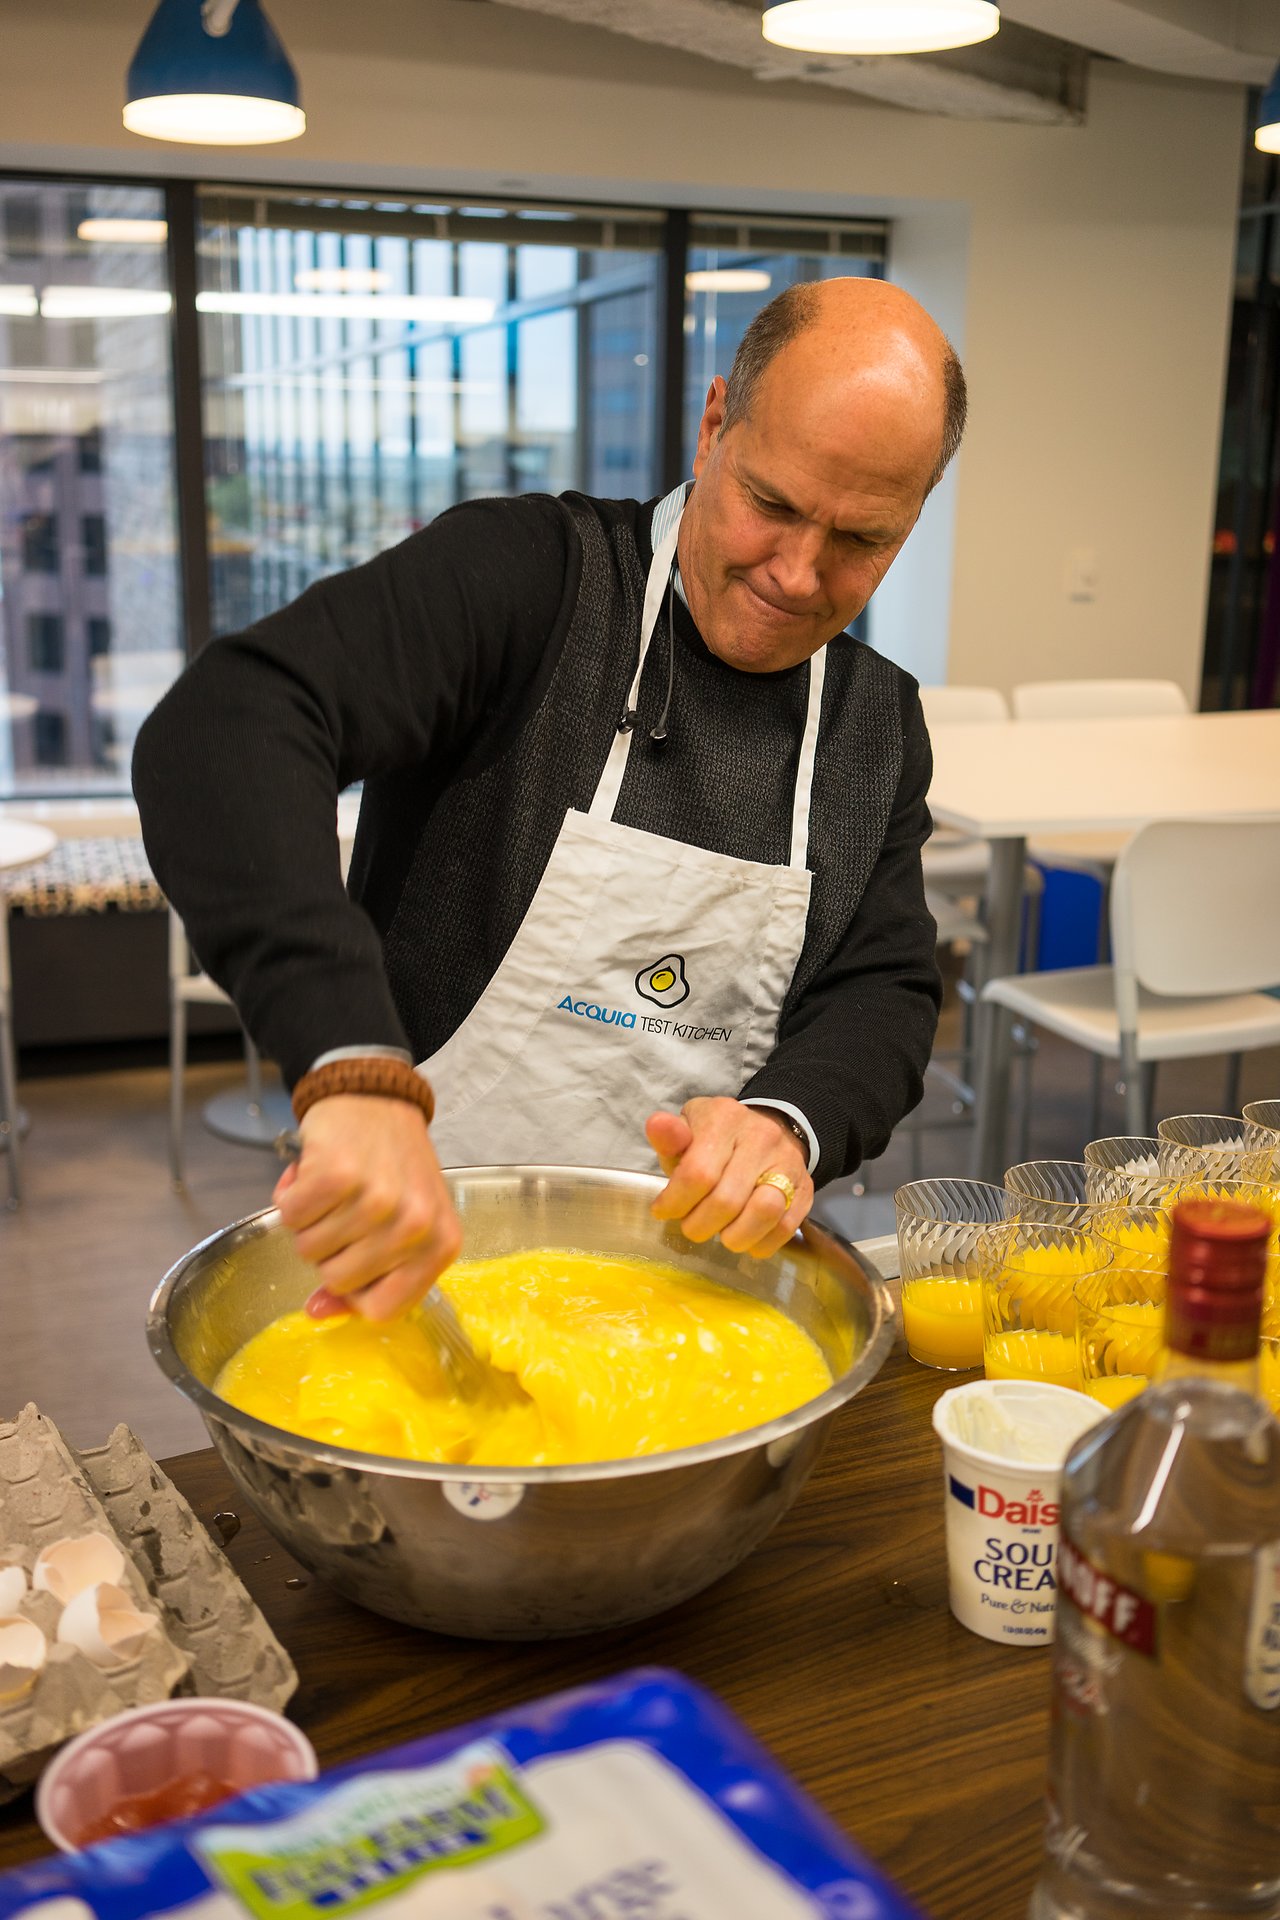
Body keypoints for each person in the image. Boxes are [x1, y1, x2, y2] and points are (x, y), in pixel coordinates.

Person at [135, 276, 962, 1321]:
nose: (797, 575)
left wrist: (787, 1123)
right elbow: (228, 725)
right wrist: (348, 1064)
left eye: (860, 541)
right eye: (773, 505)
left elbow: (879, 990)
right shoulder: (531, 582)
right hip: (414, 1274)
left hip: (697, 1293)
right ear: (714, 428)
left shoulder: (872, 725)